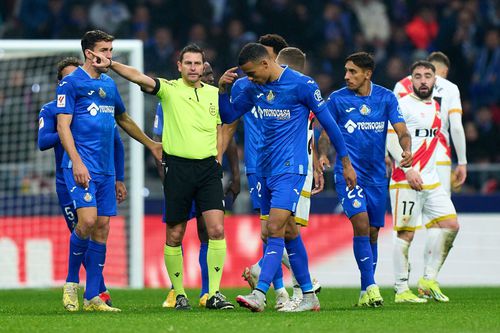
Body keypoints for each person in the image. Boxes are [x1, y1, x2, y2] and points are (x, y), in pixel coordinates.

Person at [91, 43, 234, 310]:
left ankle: (213, 293)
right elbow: (137, 76)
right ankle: (179, 294)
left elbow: (223, 128)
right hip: (178, 169)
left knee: (216, 229)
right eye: (188, 63)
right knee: (175, 234)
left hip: (208, 170)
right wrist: (111, 65)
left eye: (197, 63)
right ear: (179, 66)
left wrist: (218, 158)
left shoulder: (215, 94)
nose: (193, 68)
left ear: (204, 67)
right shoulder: (169, 90)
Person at [218, 43, 357, 312]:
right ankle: (308, 295)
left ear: (265, 64)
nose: (249, 78)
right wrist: (224, 91)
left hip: (291, 168)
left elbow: (329, 123)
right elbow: (229, 115)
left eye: (251, 73)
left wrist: (346, 162)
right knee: (290, 233)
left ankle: (260, 293)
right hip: (264, 169)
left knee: (274, 230)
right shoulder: (250, 87)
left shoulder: (302, 85)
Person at [57, 30, 162, 312]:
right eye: (105, 49)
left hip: (105, 170)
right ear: (90, 53)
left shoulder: (108, 84)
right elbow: (63, 126)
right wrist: (77, 162)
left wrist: (150, 144)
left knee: (102, 228)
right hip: (81, 167)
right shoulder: (70, 83)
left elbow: (123, 119)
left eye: (112, 49)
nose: (110, 54)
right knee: (88, 222)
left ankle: (93, 297)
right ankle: (70, 285)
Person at [317, 52, 412, 307]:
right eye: (346, 71)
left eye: (353, 72)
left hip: (377, 176)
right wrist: (324, 154)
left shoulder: (385, 98)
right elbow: (325, 133)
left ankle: (364, 291)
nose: (346, 76)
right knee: (360, 222)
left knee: (371, 232)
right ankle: (372, 286)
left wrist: (406, 149)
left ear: (367, 74)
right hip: (348, 174)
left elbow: (402, 131)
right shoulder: (337, 99)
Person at [38, 57, 127, 309]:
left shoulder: (96, 104)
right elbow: (43, 142)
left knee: (99, 227)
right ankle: (77, 286)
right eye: (69, 78)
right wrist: (68, 126)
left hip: (99, 173)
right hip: (66, 180)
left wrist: (119, 177)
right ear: (61, 83)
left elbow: (117, 142)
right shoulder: (51, 109)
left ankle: (95, 293)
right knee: (84, 226)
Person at [153, 61, 240, 308]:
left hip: (208, 175)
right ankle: (176, 291)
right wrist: (166, 178)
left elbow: (228, 139)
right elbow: (159, 142)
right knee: (176, 233)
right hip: (179, 174)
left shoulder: (215, 100)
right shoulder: (172, 99)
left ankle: (208, 292)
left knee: (209, 231)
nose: (209, 77)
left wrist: (235, 175)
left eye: (211, 73)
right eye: (206, 73)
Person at [387, 60, 460, 303]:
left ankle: (428, 278)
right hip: (405, 179)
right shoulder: (402, 106)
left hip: (430, 181)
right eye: (417, 76)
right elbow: (390, 140)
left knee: (450, 225)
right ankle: (400, 289)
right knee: (405, 234)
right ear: (411, 80)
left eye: (427, 76)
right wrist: (408, 169)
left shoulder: (436, 108)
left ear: (434, 80)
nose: (423, 80)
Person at [393, 52, 467, 195]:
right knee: (440, 214)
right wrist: (462, 161)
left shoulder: (401, 85)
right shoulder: (451, 88)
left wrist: (386, 154)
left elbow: (392, 127)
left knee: (413, 215)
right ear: (445, 71)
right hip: (440, 155)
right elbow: (457, 128)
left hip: (410, 158)